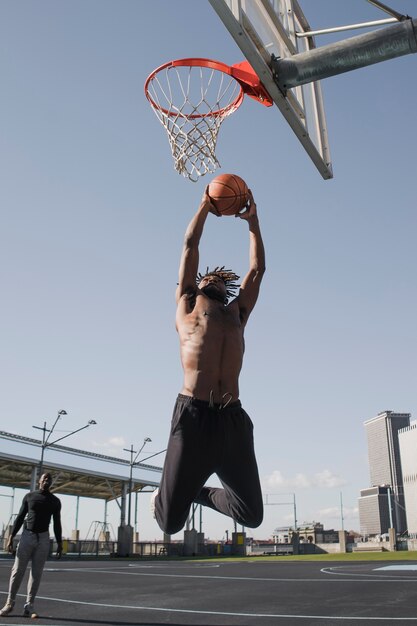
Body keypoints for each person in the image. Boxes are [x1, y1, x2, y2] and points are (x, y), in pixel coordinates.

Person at [153, 186, 266, 535]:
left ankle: (198, 492)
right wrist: (205, 206)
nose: (212, 278)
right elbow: (190, 245)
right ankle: (174, 491)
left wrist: (253, 222)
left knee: (251, 515)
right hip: (194, 416)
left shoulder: (237, 314)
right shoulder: (188, 303)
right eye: (207, 276)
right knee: (170, 523)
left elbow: (258, 270)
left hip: (232, 419)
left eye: (219, 278)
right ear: (196, 283)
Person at [0, 472, 62, 618]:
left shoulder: (55, 501)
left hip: (43, 538)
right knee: (17, 570)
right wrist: (11, 537)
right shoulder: (30, 497)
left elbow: (57, 523)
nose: (47, 480)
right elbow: (20, 517)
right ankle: (9, 603)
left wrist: (59, 543)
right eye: (44, 478)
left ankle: (29, 606)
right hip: (28, 535)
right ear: (39, 481)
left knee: (36, 573)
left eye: (49, 479)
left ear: (51, 483)